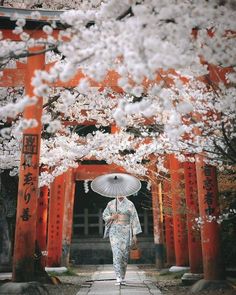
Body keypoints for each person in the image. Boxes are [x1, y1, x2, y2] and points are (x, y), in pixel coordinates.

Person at [102, 196, 142, 285]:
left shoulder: (130, 204)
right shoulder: (111, 203)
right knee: (116, 253)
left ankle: (122, 275)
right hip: (114, 231)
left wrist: (134, 234)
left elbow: (134, 219)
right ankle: (118, 276)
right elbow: (104, 215)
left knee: (125, 254)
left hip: (126, 230)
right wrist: (112, 217)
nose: (120, 193)